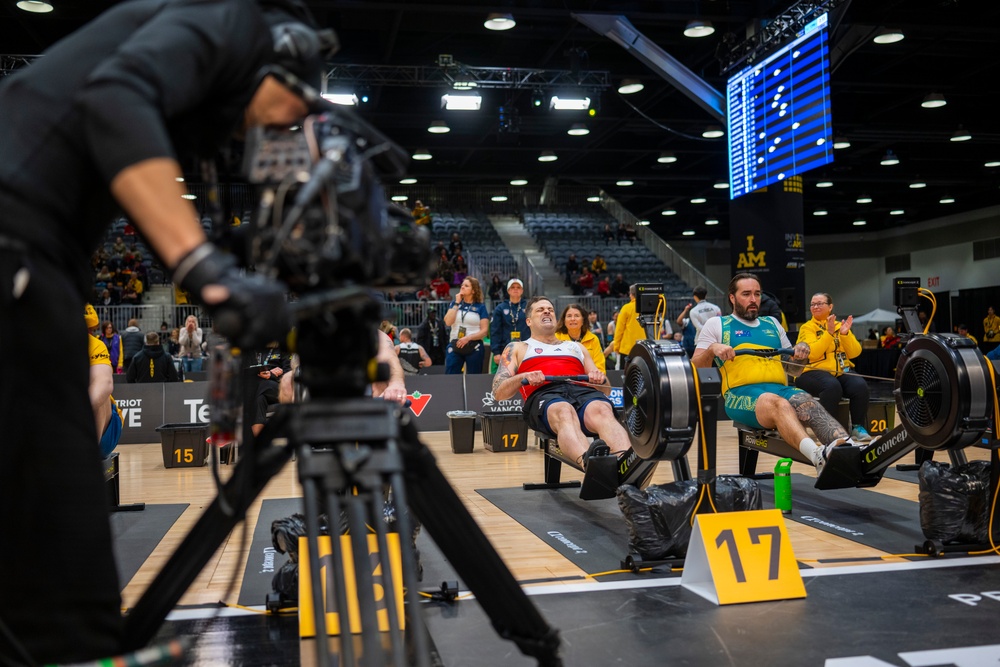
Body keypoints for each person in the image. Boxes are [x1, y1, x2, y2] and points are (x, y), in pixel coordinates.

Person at [0, 0, 331, 661]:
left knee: (28, 581)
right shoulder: (234, 23)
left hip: (36, 267)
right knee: (65, 597)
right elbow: (114, 100)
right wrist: (204, 268)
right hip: (18, 261)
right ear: (286, 54)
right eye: (292, 116)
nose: (274, 137)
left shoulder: (194, 87)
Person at [691, 273, 853, 475]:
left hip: (780, 389)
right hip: (739, 396)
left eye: (757, 294)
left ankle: (848, 448)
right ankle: (818, 456)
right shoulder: (717, 324)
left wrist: (802, 353)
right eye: (746, 294)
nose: (753, 300)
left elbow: (793, 369)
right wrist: (712, 348)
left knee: (807, 400)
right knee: (777, 403)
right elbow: (696, 367)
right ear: (732, 298)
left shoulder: (772, 324)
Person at [492, 296, 630, 468]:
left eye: (550, 309)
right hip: (545, 396)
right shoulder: (518, 348)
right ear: (528, 321)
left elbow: (606, 389)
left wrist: (599, 379)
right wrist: (523, 377)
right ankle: (592, 467)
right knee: (564, 410)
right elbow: (498, 392)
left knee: (602, 408)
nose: (547, 311)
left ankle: (626, 466)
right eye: (540, 310)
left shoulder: (576, 347)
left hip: (582, 393)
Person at [796, 293, 872, 441]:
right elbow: (812, 353)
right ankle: (826, 430)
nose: (815, 306)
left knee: (859, 385)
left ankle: (857, 427)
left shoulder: (839, 325)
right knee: (832, 387)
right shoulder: (807, 328)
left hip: (839, 371)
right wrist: (829, 334)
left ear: (830, 307)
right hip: (810, 372)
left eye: (819, 303)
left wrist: (845, 334)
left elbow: (855, 352)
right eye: (812, 304)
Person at [86, 305, 123, 459]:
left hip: (104, 427)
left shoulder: (95, 344)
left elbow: (105, 383)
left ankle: (87, 453)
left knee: (100, 394)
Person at [443, 276, 490, 374]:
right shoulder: (454, 304)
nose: (462, 287)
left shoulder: (480, 307)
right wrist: (456, 303)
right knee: (451, 378)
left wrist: (468, 338)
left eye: (466, 286)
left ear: (473, 291)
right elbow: (448, 322)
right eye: (462, 285)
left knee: (474, 379)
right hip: (455, 344)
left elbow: (484, 331)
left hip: (474, 345)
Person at [490, 278, 530, 371]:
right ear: (508, 290)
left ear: (522, 290)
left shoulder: (529, 307)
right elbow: (495, 330)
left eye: (518, 287)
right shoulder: (500, 308)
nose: (515, 289)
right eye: (513, 287)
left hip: (526, 348)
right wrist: (496, 352)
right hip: (506, 349)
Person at [604, 284, 646, 369]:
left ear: (631, 295)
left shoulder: (626, 308)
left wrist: (616, 347)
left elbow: (619, 330)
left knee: (627, 377)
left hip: (627, 349)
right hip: (645, 349)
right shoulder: (648, 308)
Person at [555, 303, 605, 372]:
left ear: (583, 320)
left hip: (590, 380)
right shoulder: (555, 338)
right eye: (569, 316)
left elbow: (600, 368)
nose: (572, 319)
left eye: (576, 316)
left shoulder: (593, 339)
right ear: (564, 321)